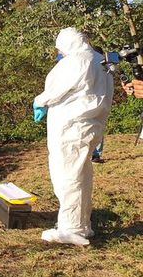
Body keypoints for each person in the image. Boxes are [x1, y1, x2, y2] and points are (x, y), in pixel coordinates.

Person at [33, 27, 114, 246]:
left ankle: (71, 229)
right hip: (90, 124)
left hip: (72, 127)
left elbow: (57, 89)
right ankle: (82, 226)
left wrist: (40, 101)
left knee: (67, 176)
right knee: (81, 174)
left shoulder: (77, 60)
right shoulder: (101, 61)